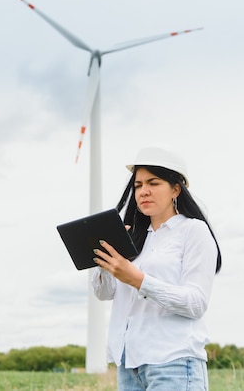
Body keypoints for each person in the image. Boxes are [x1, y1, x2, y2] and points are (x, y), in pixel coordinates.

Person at [92, 146, 222, 390]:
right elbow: (104, 294)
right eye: (138, 185)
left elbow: (196, 302)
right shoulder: (133, 237)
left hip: (172, 361)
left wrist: (138, 280)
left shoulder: (193, 231)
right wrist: (107, 263)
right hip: (129, 364)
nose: (144, 191)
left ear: (176, 189)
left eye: (153, 183)